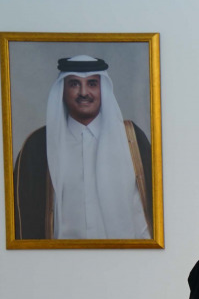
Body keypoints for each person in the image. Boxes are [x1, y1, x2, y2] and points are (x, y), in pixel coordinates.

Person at [13, 55, 153, 240]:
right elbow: (24, 219)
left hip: (124, 259)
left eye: (92, 84)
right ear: (62, 90)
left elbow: (147, 213)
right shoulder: (38, 145)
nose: (84, 92)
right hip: (59, 262)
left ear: (103, 88)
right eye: (74, 84)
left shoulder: (131, 139)